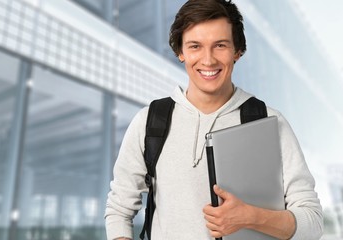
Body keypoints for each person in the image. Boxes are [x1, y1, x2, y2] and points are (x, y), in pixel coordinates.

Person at [105, 0, 323, 239]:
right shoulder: (149, 121)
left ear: (237, 51)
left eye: (220, 45)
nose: (208, 60)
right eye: (195, 46)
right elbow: (119, 210)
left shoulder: (269, 122)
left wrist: (252, 217)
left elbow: (312, 224)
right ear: (180, 52)